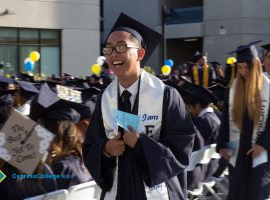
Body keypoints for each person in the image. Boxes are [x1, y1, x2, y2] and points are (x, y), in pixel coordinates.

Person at [82, 13, 195, 200]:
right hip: (118, 192)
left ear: (140, 53)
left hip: (156, 192)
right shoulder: (104, 98)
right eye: (108, 49)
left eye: (121, 47)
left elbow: (182, 148)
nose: (113, 54)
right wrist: (106, 149)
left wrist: (141, 145)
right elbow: (90, 146)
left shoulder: (166, 95)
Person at [217, 40, 270, 200]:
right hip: (238, 151)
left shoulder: (267, 88)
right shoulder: (233, 90)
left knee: (256, 192)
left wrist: (263, 144)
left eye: (247, 67)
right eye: (239, 67)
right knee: (237, 191)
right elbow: (226, 120)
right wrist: (222, 145)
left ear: (255, 65)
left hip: (260, 150)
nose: (243, 71)